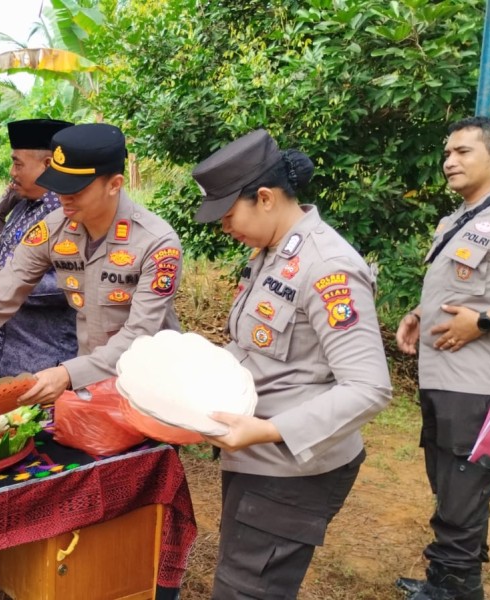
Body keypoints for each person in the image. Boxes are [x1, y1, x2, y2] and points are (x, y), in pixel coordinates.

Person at [189, 129, 391, 599]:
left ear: (264, 197)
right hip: (256, 455)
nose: (223, 228)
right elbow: (258, 349)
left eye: (227, 215)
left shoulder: (328, 266)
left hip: (293, 467)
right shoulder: (271, 253)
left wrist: (264, 431)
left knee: (245, 590)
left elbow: (369, 388)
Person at [0, 123, 182, 404]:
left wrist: (67, 374)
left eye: (75, 189)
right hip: (91, 387)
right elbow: (0, 295)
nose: (63, 198)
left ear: (114, 185)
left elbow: (139, 335)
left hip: (147, 386)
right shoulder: (53, 230)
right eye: (58, 185)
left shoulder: (157, 243)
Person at [395, 116, 490, 600]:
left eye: (463, 151)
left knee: (466, 489)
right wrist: (420, 313)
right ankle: (452, 582)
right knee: (451, 488)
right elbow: (460, 287)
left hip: (487, 392)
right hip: (443, 383)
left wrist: (483, 322)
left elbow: (482, 307)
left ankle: (453, 590)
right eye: (447, 153)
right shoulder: (457, 220)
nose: (449, 161)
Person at [0, 118, 78, 383]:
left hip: (39, 369)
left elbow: (69, 285)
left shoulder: (68, 214)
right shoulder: (23, 208)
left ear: (48, 165)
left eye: (17, 163)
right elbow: (0, 255)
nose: (12, 172)